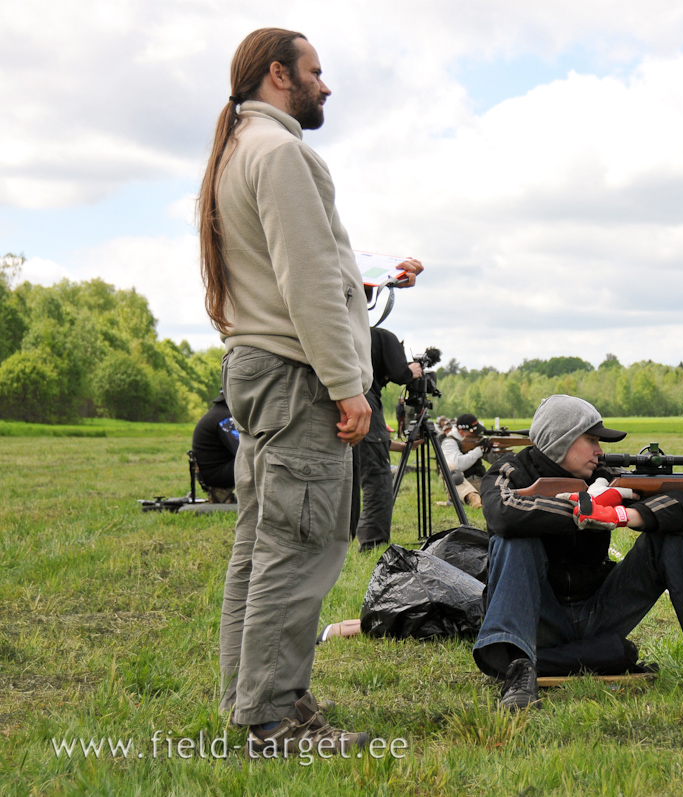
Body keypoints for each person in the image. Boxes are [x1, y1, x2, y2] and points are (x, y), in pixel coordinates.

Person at [197, 28, 412, 755]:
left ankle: (255, 698)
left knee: (263, 545)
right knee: (304, 543)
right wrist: (349, 385)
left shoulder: (238, 149)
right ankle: (274, 720)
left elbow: (311, 265)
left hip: (261, 369)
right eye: (316, 72)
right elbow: (310, 279)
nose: (327, 85)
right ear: (279, 75)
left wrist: (374, 273)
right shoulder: (283, 152)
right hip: (298, 377)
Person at [473, 394, 683, 709]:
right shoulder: (510, 470)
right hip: (537, 621)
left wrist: (624, 515)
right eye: (590, 440)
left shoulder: (605, 475)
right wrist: (580, 511)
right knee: (513, 538)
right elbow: (501, 513)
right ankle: (519, 669)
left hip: (599, 613)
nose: (599, 450)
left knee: (673, 535)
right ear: (560, 440)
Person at [355, 327, 421, 552]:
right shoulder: (382, 337)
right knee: (377, 478)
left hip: (344, 396)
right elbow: (399, 372)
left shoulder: (357, 335)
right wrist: (410, 372)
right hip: (363, 397)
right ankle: (373, 542)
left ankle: (345, 535)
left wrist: (398, 446)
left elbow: (365, 444)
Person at [191, 392, 239, 503]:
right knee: (261, 461)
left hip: (211, 473)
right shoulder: (224, 418)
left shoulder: (219, 414)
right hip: (216, 475)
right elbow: (242, 451)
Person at [440, 413, 491, 508]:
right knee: (450, 468)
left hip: (479, 481)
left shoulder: (476, 441)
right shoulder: (449, 442)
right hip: (460, 485)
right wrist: (479, 450)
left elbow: (496, 460)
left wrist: (496, 449)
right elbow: (458, 464)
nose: (477, 435)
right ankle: (472, 497)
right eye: (474, 432)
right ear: (461, 432)